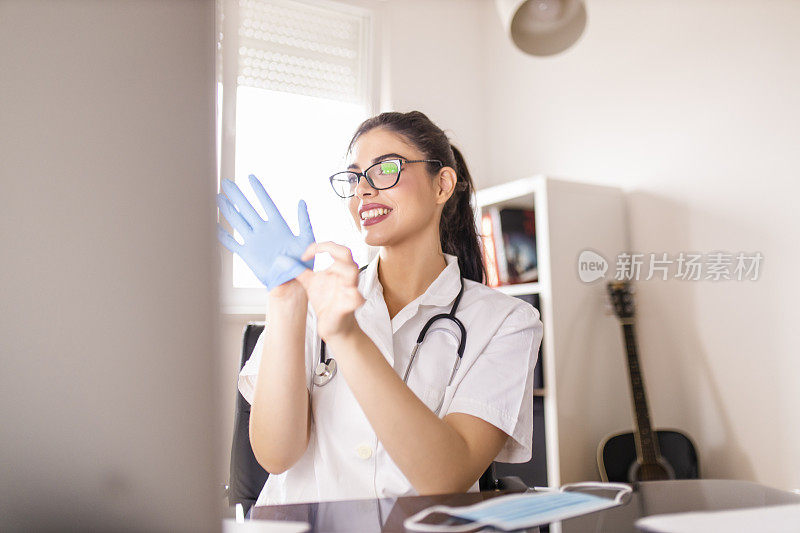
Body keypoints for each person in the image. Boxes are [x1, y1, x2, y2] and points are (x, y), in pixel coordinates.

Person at [216, 110, 544, 507]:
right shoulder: (318, 297)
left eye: (385, 169)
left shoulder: (506, 321)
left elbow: (447, 475)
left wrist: (346, 336)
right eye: (355, 178)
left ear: (442, 185)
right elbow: (275, 455)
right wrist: (286, 301)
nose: (364, 191)